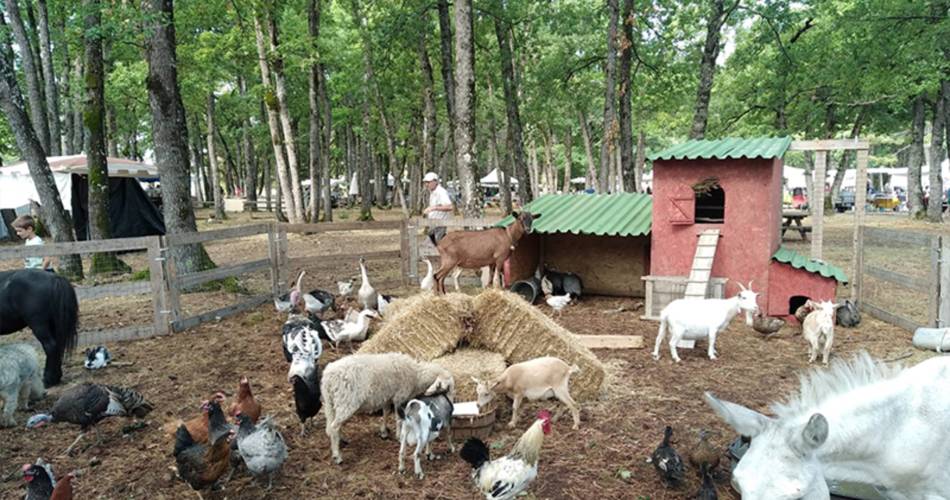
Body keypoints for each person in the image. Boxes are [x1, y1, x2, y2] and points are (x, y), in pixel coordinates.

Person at [423, 172, 453, 246]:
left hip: (440, 224)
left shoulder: (441, 192)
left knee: (429, 245)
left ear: (435, 182)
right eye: (425, 182)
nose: (427, 184)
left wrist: (434, 208)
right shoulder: (433, 192)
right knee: (436, 244)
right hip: (434, 224)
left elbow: (449, 207)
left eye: (428, 182)